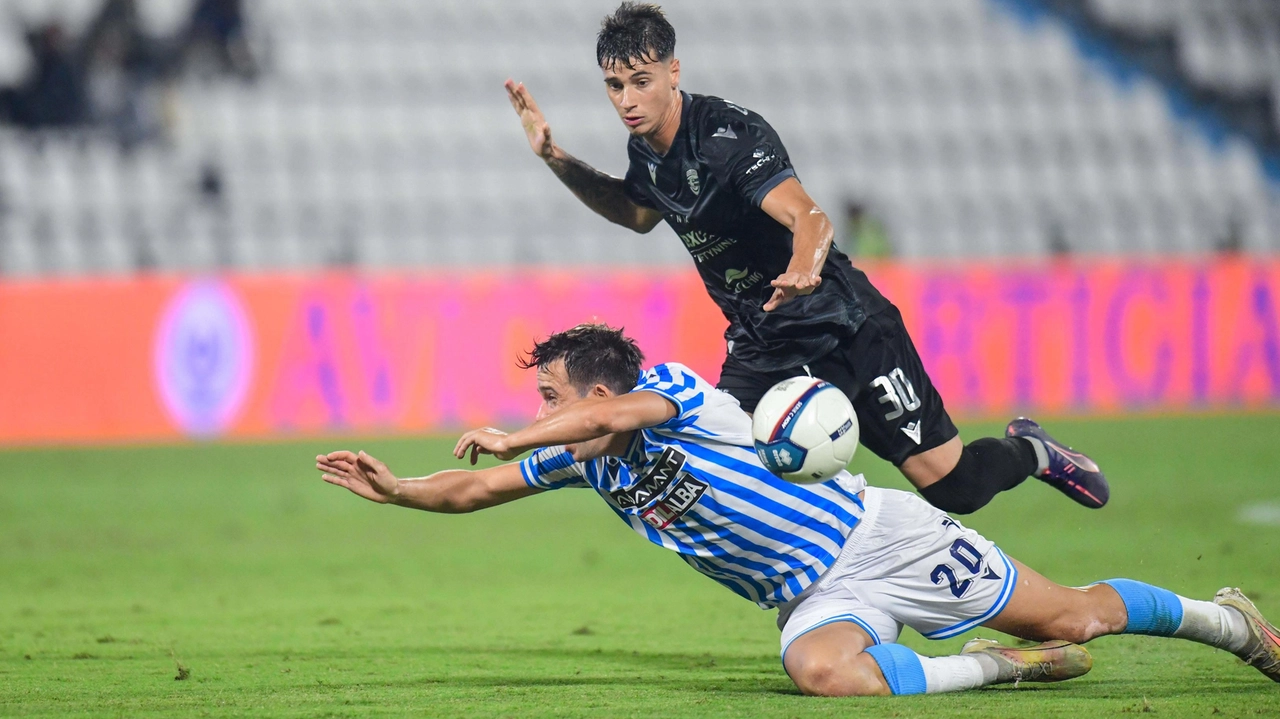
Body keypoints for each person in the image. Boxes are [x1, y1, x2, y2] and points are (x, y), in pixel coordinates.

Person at [317, 324, 1280, 697]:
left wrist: (514, 434)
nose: (542, 417)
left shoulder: (676, 398)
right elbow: (477, 488)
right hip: (812, 592)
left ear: (600, 390)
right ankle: (998, 670)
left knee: (1078, 611)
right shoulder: (584, 461)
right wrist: (400, 487)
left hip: (878, 537)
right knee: (823, 673)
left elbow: (619, 411)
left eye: (551, 398)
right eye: (537, 406)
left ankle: (1227, 621)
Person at [503, 3, 1108, 516]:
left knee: (955, 489)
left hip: (843, 326)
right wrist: (556, 157)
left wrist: (804, 267)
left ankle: (1030, 450)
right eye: (615, 85)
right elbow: (634, 213)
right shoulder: (646, 153)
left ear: (673, 71)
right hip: (762, 344)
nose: (628, 99)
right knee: (720, 470)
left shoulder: (728, 137)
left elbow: (810, 218)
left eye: (641, 80)